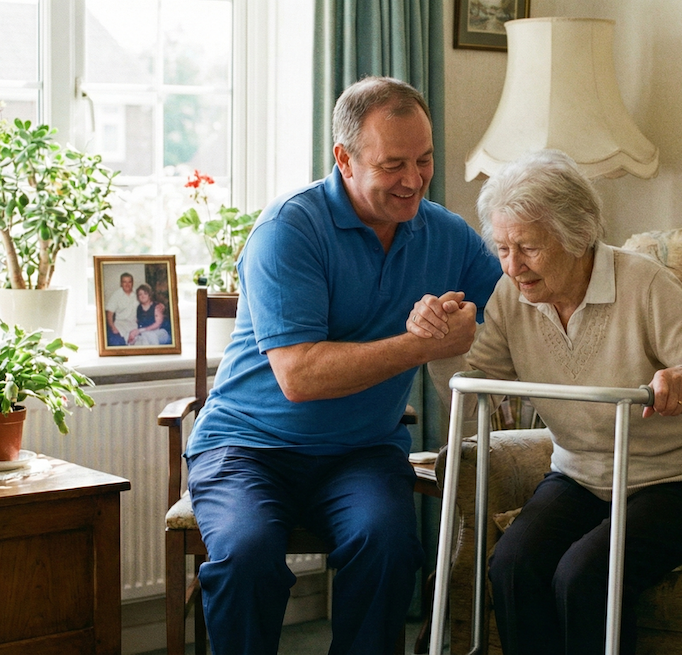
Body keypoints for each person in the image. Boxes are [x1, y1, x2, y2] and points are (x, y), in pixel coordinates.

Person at [183, 76, 503, 655]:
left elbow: (519, 304)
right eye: (393, 165)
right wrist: (422, 344)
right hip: (248, 448)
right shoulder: (289, 230)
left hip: (362, 451)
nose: (413, 180)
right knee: (247, 555)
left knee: (389, 545)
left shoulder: (446, 235)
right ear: (344, 159)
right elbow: (299, 376)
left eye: (425, 160)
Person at [408, 150, 682, 655]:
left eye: (527, 247)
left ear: (575, 236)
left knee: (584, 575)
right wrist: (437, 343)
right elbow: (471, 395)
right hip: (581, 476)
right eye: (503, 249)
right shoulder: (513, 297)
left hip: (681, 484)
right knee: (511, 564)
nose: (513, 266)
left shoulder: (644, 285)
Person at [104, 272, 138, 346]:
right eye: (124, 282)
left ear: (132, 283)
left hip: (134, 325)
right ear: (121, 284)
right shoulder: (116, 295)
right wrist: (113, 327)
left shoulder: (138, 293)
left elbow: (148, 301)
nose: (127, 284)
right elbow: (109, 313)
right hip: (120, 325)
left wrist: (159, 305)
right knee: (117, 342)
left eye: (129, 282)